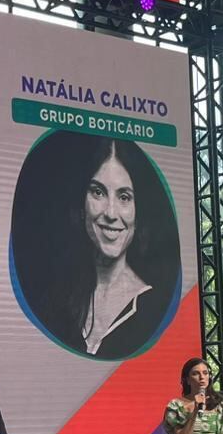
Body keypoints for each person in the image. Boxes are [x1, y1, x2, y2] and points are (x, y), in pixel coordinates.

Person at [10, 131, 177, 359]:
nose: (110, 213)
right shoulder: (56, 300)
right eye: (98, 192)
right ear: (81, 204)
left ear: (139, 211)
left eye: (124, 197)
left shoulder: (154, 306)